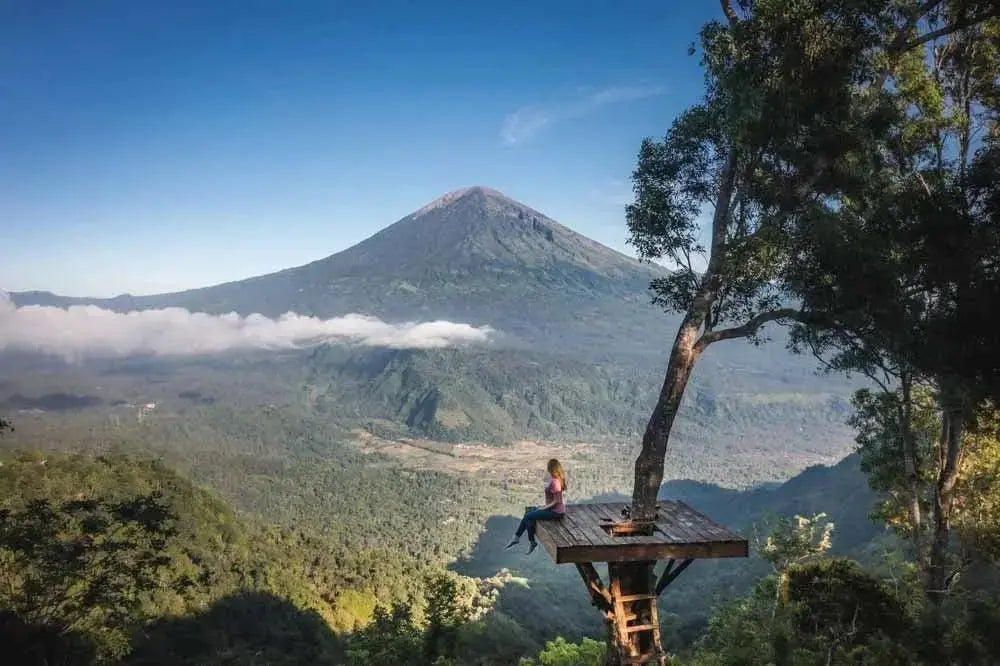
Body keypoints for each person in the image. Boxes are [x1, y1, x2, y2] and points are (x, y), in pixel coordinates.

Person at [505, 458, 566, 554]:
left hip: (555, 512)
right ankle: (517, 537)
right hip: (553, 509)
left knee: (529, 516)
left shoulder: (555, 482)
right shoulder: (557, 480)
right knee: (529, 511)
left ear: (551, 468)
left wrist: (544, 508)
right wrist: (543, 507)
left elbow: (557, 501)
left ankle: (531, 542)